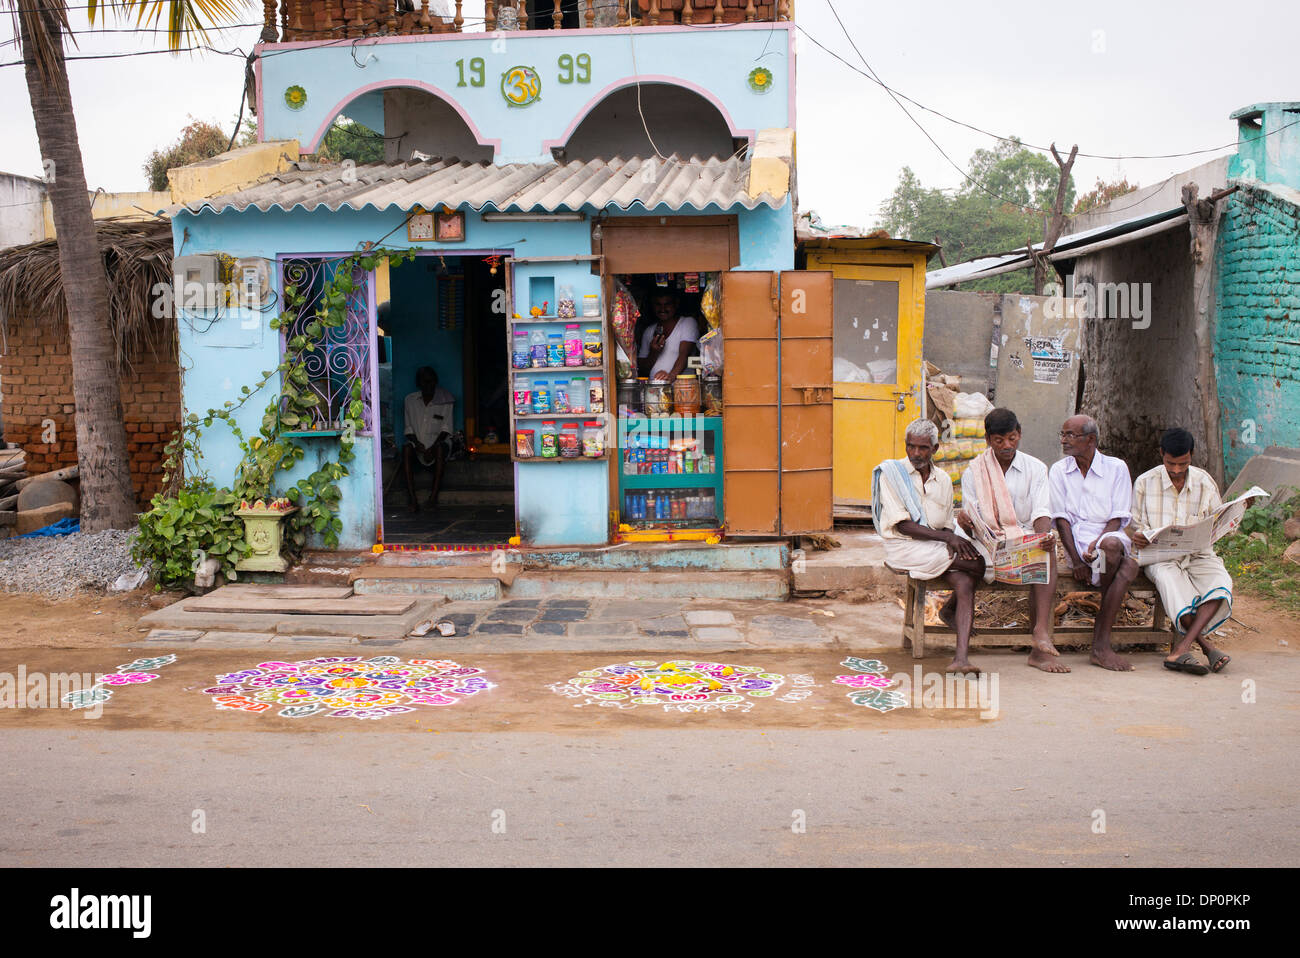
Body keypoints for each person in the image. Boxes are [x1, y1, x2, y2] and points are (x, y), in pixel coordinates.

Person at [955, 408, 1067, 673]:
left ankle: (1040, 631)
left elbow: (1041, 511)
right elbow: (974, 517)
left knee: (1045, 552)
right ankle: (953, 611)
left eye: (1012, 438)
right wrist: (967, 524)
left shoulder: (1036, 468)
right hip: (989, 540)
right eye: (999, 440)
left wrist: (1043, 537)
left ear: (1019, 434)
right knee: (963, 557)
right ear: (988, 440)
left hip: (1023, 535)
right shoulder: (974, 471)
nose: (1007, 445)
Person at [872, 419, 986, 674]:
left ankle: (961, 659)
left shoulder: (943, 479)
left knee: (966, 580)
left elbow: (945, 525)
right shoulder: (892, 474)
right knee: (977, 563)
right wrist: (949, 541)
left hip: (933, 544)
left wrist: (951, 541)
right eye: (911, 446)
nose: (915, 453)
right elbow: (903, 527)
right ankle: (949, 610)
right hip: (904, 546)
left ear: (935, 449)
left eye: (923, 448)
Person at [1130, 428, 1233, 675]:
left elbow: (1216, 521)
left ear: (1192, 455)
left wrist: (1234, 515)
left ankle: (1182, 648)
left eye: (1183, 463)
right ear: (1161, 454)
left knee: (1221, 583)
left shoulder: (1204, 481)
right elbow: (1133, 524)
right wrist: (1138, 536)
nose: (1176, 469)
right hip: (1161, 557)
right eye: (1171, 463)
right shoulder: (1145, 482)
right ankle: (1206, 647)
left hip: (1198, 553)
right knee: (1171, 585)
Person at [1049, 414, 1138, 671]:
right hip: (1076, 540)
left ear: (1090, 440)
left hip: (1109, 536)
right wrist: (1076, 561)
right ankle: (1100, 645)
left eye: (1070, 435)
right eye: (1063, 434)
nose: (1064, 441)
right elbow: (1061, 520)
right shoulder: (1059, 470)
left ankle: (1100, 642)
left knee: (1110, 548)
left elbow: (1118, 517)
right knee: (1129, 568)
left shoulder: (1116, 468)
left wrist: (1099, 541)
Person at [402, 366, 455, 512]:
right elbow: (408, 429)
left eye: (431, 382)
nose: (428, 385)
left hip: (438, 445)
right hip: (418, 445)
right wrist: (418, 444)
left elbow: (446, 429)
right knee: (406, 448)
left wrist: (432, 447)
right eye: (424, 382)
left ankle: (433, 498)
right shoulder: (410, 400)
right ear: (418, 383)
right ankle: (412, 499)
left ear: (436, 382)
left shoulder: (446, 400)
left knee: (439, 448)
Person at [638, 289, 700, 381]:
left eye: (667, 304)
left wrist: (670, 377)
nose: (662, 309)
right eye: (658, 304)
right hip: (654, 390)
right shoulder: (649, 331)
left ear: (676, 304)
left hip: (682, 389)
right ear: (653, 306)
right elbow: (643, 370)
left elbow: (684, 354)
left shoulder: (687, 323)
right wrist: (654, 353)